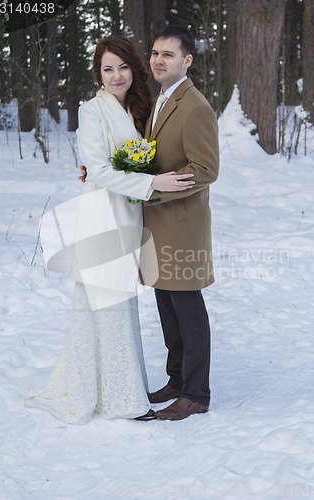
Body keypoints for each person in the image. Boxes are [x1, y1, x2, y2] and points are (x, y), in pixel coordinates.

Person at [25, 35, 195, 424]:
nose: (116, 75)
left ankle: (113, 386)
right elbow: (99, 169)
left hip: (132, 215)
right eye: (107, 68)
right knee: (106, 300)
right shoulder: (92, 110)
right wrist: (153, 183)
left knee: (117, 302)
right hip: (104, 214)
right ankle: (122, 399)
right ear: (98, 74)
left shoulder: (142, 108)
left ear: (133, 69)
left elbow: (148, 153)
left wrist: (154, 177)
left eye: (122, 67)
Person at [140, 25, 220, 421]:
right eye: (155, 53)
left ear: (186, 61)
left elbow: (205, 168)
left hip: (182, 223)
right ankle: (176, 380)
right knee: (167, 306)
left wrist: (157, 190)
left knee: (187, 307)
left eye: (168, 55)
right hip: (157, 224)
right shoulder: (162, 99)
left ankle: (196, 394)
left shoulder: (195, 106)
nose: (158, 60)